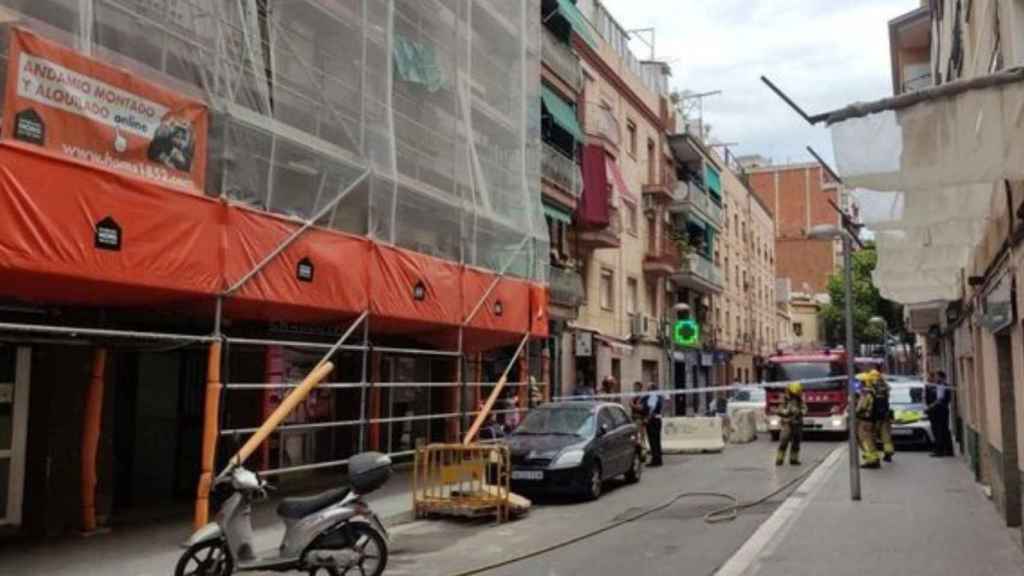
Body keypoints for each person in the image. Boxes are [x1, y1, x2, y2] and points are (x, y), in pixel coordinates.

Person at [775, 381, 806, 466]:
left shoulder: (800, 401)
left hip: (797, 424)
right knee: (783, 442)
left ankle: (794, 459)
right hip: (787, 425)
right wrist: (787, 412)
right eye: (799, 391)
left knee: (796, 443)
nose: (800, 392)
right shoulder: (785, 400)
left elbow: (804, 409)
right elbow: (779, 410)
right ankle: (779, 459)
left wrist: (800, 412)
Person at [856, 371, 882, 469]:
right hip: (871, 420)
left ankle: (871, 460)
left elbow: (861, 407)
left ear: (865, 382)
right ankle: (874, 458)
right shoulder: (873, 391)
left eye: (861, 382)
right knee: (870, 440)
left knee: (865, 440)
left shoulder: (865, 393)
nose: (859, 384)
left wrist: (854, 411)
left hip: (865, 420)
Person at [927, 370, 954, 457]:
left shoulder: (942, 386)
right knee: (943, 431)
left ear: (941, 377)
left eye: (937, 376)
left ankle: (940, 451)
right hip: (939, 411)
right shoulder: (938, 386)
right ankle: (948, 450)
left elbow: (940, 399)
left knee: (940, 431)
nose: (935, 378)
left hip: (940, 412)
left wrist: (931, 406)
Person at [872, 370, 895, 462]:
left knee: (872, 436)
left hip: (875, 416)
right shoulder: (885, 387)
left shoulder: (872, 388)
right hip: (885, 415)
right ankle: (888, 453)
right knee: (886, 436)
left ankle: (874, 455)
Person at [644, 383, 665, 467]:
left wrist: (647, 419)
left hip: (653, 420)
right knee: (657, 440)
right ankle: (658, 459)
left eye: (648, 388)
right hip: (658, 419)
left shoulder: (653, 396)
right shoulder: (658, 396)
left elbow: (651, 409)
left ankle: (655, 460)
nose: (647, 390)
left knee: (653, 441)